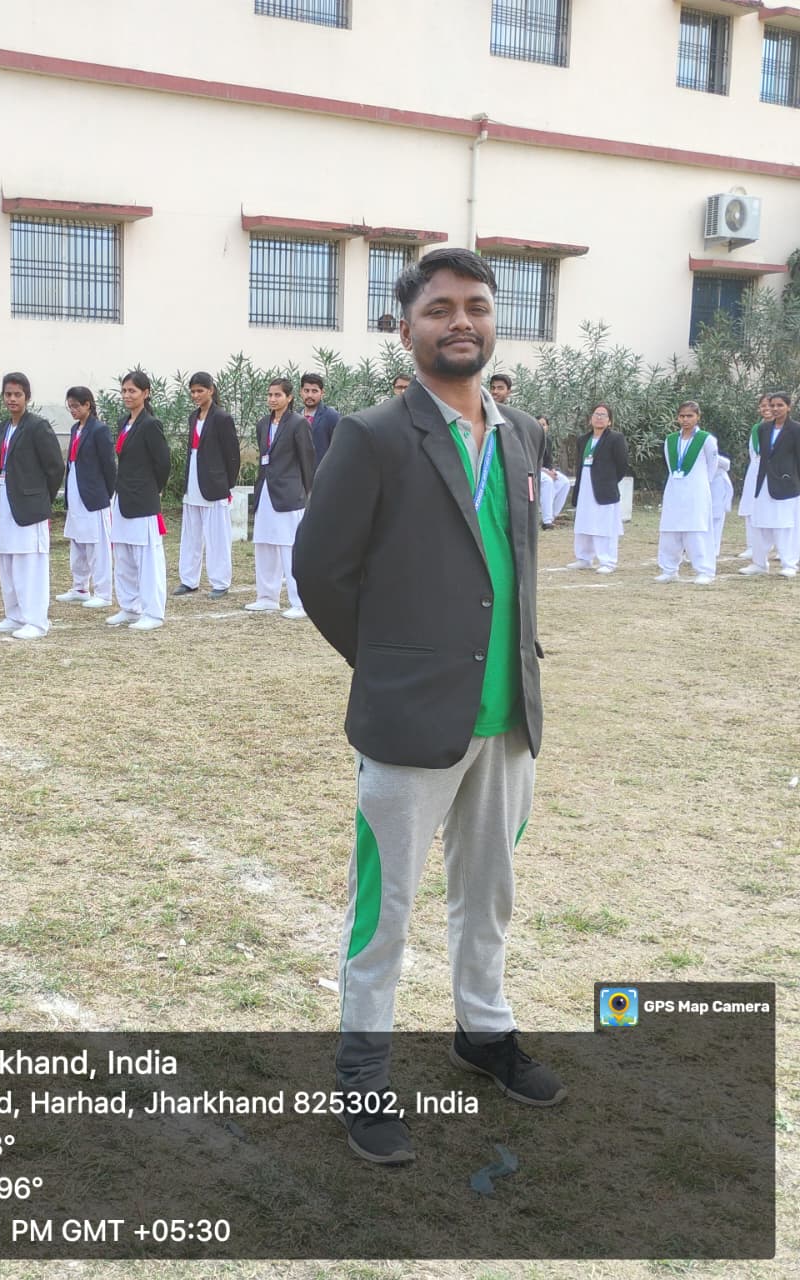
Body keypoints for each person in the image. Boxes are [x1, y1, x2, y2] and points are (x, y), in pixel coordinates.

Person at [293, 246, 563, 1167]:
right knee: (387, 908)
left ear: (494, 321)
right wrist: (389, 669)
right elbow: (320, 571)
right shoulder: (372, 435)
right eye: (440, 308)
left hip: (507, 717)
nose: (460, 322)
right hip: (411, 722)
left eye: (476, 306)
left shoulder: (521, 434)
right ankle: (363, 1067)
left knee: (489, 895)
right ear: (405, 328)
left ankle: (483, 1031)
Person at [0, 372, 64, 638]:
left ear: (27, 397)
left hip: (29, 504)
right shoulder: (3, 428)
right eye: (8, 394)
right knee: (7, 559)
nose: (12, 399)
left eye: (17, 394)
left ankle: (36, 620)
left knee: (29, 563)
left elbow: (55, 467)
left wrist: (41, 497)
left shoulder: (37, 426)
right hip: (5, 500)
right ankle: (15, 614)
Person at [107, 370, 171, 631]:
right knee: (123, 556)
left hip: (143, 498)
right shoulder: (124, 422)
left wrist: (154, 489)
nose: (127, 395)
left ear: (146, 393)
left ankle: (153, 612)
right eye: (124, 391)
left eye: (132, 391)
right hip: (122, 496)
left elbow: (162, 463)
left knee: (147, 558)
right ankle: (130, 607)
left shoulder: (150, 424)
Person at [246, 377, 314, 619]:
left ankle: (300, 602)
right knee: (264, 544)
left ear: (289, 397)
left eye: (278, 395)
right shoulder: (263, 423)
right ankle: (267, 597)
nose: (273, 399)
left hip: (289, 494)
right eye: (270, 395)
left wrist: (308, 493)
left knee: (289, 547)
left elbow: (307, 460)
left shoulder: (298, 424)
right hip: (266, 490)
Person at [173, 371, 239, 600]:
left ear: (210, 390)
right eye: (192, 391)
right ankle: (188, 580)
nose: (195, 395)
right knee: (190, 535)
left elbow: (232, 455)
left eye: (200, 391)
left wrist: (227, 484)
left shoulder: (222, 418)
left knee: (217, 536)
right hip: (193, 481)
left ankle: (220, 581)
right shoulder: (193, 417)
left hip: (214, 484)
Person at [58, 387, 115, 610]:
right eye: (70, 406)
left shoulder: (99, 430)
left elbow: (109, 465)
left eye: (76, 406)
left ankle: (103, 592)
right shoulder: (75, 429)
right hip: (75, 491)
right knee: (77, 541)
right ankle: (80, 587)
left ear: (87, 405)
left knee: (96, 545)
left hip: (93, 495)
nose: (72, 410)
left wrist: (106, 493)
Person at [655, 401, 719, 584]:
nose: (685, 419)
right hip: (674, 490)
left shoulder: (706, 439)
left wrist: (701, 484)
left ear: (698, 417)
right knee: (670, 530)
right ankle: (669, 569)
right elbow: (670, 465)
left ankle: (704, 570)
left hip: (696, 491)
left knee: (697, 530)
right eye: (682, 416)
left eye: (689, 416)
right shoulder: (671, 440)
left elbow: (712, 466)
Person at [740, 391, 800, 577]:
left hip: (786, 484)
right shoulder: (763, 429)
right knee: (760, 523)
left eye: (780, 405)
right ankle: (759, 563)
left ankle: (789, 564)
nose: (775, 409)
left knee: (784, 525)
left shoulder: (796, 429)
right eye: (772, 405)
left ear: (788, 407)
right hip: (764, 483)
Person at [568, 403, 628, 574]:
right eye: (596, 414)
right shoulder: (583, 440)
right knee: (583, 522)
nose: (599, 418)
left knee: (604, 525)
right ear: (590, 419)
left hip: (604, 488)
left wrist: (610, 481)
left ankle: (607, 561)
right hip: (585, 486)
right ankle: (584, 558)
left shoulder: (615, 438)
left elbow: (622, 464)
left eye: (603, 415)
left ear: (609, 421)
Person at [735, 395, 771, 561]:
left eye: (770, 405)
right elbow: (752, 452)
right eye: (763, 405)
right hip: (755, 471)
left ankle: (782, 547)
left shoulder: (786, 428)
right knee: (750, 508)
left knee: (776, 509)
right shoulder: (756, 428)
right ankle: (752, 546)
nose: (766, 408)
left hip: (776, 473)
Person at [536, 413, 571, 529]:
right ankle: (547, 522)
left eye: (544, 425)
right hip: (533, 470)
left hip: (545, 470)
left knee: (564, 482)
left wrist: (552, 471)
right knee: (548, 481)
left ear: (547, 427)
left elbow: (549, 460)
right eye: (539, 424)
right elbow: (531, 461)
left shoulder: (548, 440)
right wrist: (546, 472)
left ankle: (552, 516)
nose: (541, 427)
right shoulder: (530, 439)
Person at [299, 373, 340, 467]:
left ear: (322, 393)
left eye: (314, 391)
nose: (309, 395)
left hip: (321, 472)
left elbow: (339, 448)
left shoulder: (331, 416)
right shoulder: (295, 416)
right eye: (306, 391)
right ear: (301, 392)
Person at [711, 449, 734, 562]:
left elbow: (726, 464)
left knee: (716, 517)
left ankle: (713, 549)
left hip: (717, 486)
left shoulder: (717, 459)